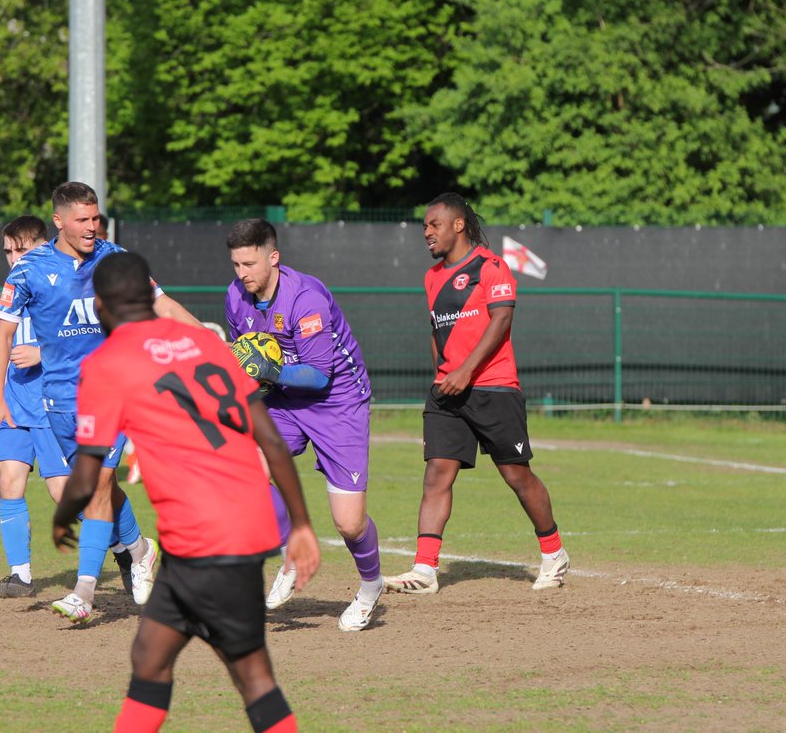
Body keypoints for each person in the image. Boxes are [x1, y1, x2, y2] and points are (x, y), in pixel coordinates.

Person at [52, 251, 320, 733]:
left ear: (101, 305)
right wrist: (299, 523)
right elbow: (271, 439)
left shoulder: (108, 361)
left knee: (250, 676)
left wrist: (61, 516)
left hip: (204, 538)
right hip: (235, 527)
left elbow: (88, 470)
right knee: (151, 657)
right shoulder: (205, 342)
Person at [0, 181, 199, 624]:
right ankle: (140, 549)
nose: (91, 226)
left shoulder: (115, 259)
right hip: (58, 399)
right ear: (58, 221)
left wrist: (210, 341)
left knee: (97, 485)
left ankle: (83, 592)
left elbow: (163, 305)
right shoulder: (28, 269)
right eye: (82, 219)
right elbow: (3, 336)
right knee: (98, 489)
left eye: (95, 218)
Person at [384, 193, 569, 595]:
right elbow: (436, 330)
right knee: (436, 474)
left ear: (458, 225)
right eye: (424, 226)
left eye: (434, 225)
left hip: (493, 388)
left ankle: (554, 553)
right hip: (447, 393)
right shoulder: (432, 277)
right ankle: (425, 570)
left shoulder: (491, 267)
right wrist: (442, 375)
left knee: (516, 475)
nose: (427, 232)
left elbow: (501, 320)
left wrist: (466, 371)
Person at [225, 218, 382, 632]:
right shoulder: (235, 296)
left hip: (337, 402)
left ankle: (371, 587)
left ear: (273, 258)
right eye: (236, 264)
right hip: (284, 399)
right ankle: (291, 553)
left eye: (250, 264)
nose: (242, 273)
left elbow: (318, 375)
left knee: (349, 523)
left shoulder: (305, 298)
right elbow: (246, 360)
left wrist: (268, 371)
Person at [0, 215, 72, 599]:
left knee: (63, 494)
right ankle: (21, 576)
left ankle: (128, 548)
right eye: (8, 251)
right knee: (9, 478)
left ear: (43, 246)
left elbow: (85, 341)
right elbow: (0, 341)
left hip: (53, 405)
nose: (14, 258)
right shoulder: (12, 289)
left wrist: (42, 353)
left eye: (22, 249)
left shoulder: (63, 285)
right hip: (15, 403)